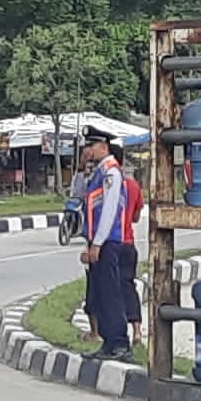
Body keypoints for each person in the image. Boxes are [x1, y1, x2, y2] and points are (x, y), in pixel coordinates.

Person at [73, 129, 145, 358]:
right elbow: (76, 194)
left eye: (91, 147)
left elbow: (110, 211)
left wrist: (98, 243)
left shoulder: (111, 173)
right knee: (101, 293)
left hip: (108, 242)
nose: (88, 151)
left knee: (110, 293)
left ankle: (119, 343)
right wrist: (80, 168)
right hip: (98, 241)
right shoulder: (97, 173)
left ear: (103, 146)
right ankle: (108, 342)